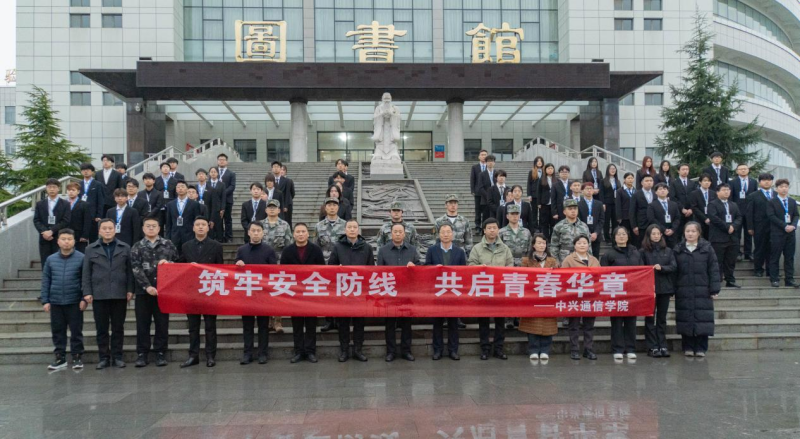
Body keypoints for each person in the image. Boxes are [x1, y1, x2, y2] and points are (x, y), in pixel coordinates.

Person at [83, 219, 134, 369]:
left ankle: (117, 356)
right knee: (101, 328)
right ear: (99, 231)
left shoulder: (125, 247)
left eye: (110, 228)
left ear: (115, 230)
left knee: (118, 327)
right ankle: (103, 357)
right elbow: (86, 272)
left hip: (119, 293)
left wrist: (130, 289)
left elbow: (130, 271)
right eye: (104, 228)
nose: (107, 231)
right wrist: (87, 291)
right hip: (99, 294)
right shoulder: (90, 249)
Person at [130, 215, 177, 368]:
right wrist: (147, 286)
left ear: (159, 228)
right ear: (143, 228)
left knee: (162, 323)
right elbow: (136, 268)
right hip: (143, 292)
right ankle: (142, 354)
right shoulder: (137, 246)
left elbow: (177, 263)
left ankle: (160, 352)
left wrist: (169, 263)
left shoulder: (168, 244)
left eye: (154, 226)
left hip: (163, 292)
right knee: (142, 323)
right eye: (148, 226)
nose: (151, 228)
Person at [178, 216, 223, 367]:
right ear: (193, 227)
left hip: (209, 291)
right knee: (193, 327)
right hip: (191, 292)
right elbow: (180, 267)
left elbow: (221, 268)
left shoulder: (216, 246)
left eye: (203, 224)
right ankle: (193, 355)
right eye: (197, 224)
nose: (201, 227)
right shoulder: (186, 246)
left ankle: (210, 355)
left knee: (210, 326)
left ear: (208, 227)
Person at [468, 218, 513, 361]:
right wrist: (480, 268)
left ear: (498, 230)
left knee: (500, 322)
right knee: (484, 322)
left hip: (500, 290)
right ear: (484, 230)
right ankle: (485, 349)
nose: (492, 230)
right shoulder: (477, 248)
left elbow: (510, 265)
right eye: (489, 228)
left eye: (494, 227)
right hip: (484, 289)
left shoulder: (505, 248)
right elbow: (470, 265)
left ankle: (498, 349)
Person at [329, 220, 374, 362]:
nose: (352, 229)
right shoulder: (338, 247)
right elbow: (331, 266)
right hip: (343, 291)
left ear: (358, 230)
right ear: (345, 230)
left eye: (355, 227)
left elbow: (371, 268)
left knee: (359, 323)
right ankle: (344, 350)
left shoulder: (367, 247)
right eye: (349, 227)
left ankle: (358, 350)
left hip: (360, 291)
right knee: (343, 323)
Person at [41, 229, 86, 370]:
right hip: (55, 301)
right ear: (58, 241)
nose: (66, 242)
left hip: (74, 301)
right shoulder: (51, 259)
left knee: (76, 331)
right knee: (58, 331)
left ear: (74, 241)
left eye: (69, 239)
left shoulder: (82, 258)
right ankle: (60, 357)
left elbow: (85, 280)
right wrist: (45, 300)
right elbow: (46, 280)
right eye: (63, 239)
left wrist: (84, 298)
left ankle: (77, 357)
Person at [674, 221, 720, 357]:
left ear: (699, 233)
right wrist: (673, 289)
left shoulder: (707, 248)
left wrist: (714, 289)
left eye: (693, 231)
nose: (690, 234)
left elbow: (714, 269)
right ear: (684, 233)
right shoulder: (678, 249)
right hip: (684, 290)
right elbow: (674, 272)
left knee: (702, 318)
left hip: (702, 290)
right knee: (685, 318)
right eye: (688, 231)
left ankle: (701, 347)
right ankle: (688, 346)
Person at [281, 223, 325, 364]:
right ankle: (298, 351)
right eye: (298, 232)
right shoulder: (287, 251)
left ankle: (310, 351)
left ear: (308, 234)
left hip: (312, 292)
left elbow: (323, 270)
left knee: (311, 323)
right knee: (297, 324)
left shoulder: (316, 250)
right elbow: (282, 272)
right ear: (293, 234)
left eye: (303, 231)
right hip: (294, 293)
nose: (300, 234)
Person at [234, 222, 277, 365]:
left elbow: (274, 272)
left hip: (263, 294)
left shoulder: (269, 250)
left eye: (258, 230)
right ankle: (247, 353)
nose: (256, 233)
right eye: (253, 230)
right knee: (247, 326)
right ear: (248, 232)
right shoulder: (242, 250)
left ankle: (263, 353)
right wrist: (238, 264)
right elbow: (234, 270)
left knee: (263, 326)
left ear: (263, 233)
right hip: (246, 294)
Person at [377, 223, 419, 362]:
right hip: (390, 293)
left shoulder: (412, 250)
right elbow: (378, 271)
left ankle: (406, 351)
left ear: (404, 234)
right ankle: (391, 351)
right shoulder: (383, 250)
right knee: (390, 324)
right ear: (391, 233)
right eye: (395, 231)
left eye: (400, 231)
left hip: (407, 293)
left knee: (406, 323)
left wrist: (415, 266)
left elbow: (420, 268)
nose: (398, 234)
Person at [601, 226, 643, 360]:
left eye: (624, 234)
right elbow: (603, 274)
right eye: (618, 234)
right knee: (617, 322)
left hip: (632, 293)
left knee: (631, 322)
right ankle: (617, 348)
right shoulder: (608, 254)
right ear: (614, 237)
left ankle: (630, 348)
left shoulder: (636, 253)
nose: (621, 236)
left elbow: (642, 272)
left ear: (628, 236)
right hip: (616, 292)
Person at [425, 223, 465, 361]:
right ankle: (437, 350)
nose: (446, 234)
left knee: (453, 323)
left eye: (448, 232)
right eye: (443, 232)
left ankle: (453, 350)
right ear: (439, 234)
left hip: (454, 291)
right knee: (437, 323)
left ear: (452, 234)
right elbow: (426, 267)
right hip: (438, 292)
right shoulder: (432, 250)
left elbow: (464, 271)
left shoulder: (459, 252)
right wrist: (434, 268)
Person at [518, 234, 558, 362]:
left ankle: (545, 350)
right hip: (532, 297)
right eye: (539, 243)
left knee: (548, 324)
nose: (541, 245)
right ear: (533, 245)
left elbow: (559, 277)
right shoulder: (526, 260)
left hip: (548, 297)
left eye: (543, 243)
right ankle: (533, 350)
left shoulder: (552, 261)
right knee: (532, 324)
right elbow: (522, 277)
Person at [640, 225, 677, 358]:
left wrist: (662, 268)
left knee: (661, 319)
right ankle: (652, 346)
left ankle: (662, 345)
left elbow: (673, 266)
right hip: (650, 289)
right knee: (650, 318)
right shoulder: (643, 251)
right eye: (653, 234)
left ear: (661, 235)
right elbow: (640, 269)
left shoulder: (668, 250)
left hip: (665, 289)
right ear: (648, 235)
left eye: (658, 233)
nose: (656, 236)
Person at [562, 235, 600, 360]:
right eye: (579, 243)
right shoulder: (568, 259)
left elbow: (600, 277)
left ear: (588, 245)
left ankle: (588, 349)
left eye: (584, 243)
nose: (582, 245)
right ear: (574, 245)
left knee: (589, 325)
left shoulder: (594, 260)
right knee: (574, 325)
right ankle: (574, 349)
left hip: (590, 297)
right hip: (574, 297)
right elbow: (563, 278)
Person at [315, 197, 347, 333]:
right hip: (325, 264)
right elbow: (316, 246)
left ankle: (339, 320)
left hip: (341, 264)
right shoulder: (319, 226)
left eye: (334, 205)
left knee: (340, 293)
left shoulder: (345, 225)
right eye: (329, 205)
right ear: (325, 208)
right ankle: (328, 320)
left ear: (338, 207)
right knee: (327, 294)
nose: (332, 207)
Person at [499, 203, 532, 329]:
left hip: (522, 265)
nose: (514, 216)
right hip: (508, 265)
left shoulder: (526, 232)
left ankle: (519, 317)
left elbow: (530, 250)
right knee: (509, 293)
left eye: (516, 214)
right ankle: (509, 318)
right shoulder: (501, 232)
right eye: (512, 214)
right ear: (507, 216)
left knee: (521, 293)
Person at [263, 199, 293, 333]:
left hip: (279, 264)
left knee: (277, 293)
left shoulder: (285, 225)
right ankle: (268, 321)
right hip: (263, 264)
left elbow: (289, 246)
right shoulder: (260, 225)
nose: (272, 209)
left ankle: (278, 321)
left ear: (279, 210)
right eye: (269, 207)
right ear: (265, 210)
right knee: (265, 293)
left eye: (274, 207)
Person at [707, 183, 743, 288]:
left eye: (728, 190)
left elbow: (739, 217)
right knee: (717, 260)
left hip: (732, 238)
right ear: (717, 192)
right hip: (718, 237)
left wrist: (733, 226)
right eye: (724, 190)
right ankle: (717, 280)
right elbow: (714, 218)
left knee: (730, 260)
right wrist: (727, 227)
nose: (726, 192)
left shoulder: (733, 204)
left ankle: (730, 280)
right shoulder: (712, 204)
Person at [766, 179, 799, 288]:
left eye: (786, 186)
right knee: (775, 257)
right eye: (781, 187)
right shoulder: (772, 202)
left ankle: (789, 279)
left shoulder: (792, 201)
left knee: (789, 257)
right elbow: (771, 216)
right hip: (777, 233)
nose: (784, 189)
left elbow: (796, 215)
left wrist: (793, 225)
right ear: (776, 189)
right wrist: (784, 226)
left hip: (790, 234)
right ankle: (774, 279)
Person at [34, 178, 71, 267]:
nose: (51, 189)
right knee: (45, 262)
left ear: (58, 188)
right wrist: (44, 231)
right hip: (44, 237)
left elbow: (66, 220)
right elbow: (36, 220)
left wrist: (52, 231)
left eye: (54, 187)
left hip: (59, 236)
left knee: (59, 262)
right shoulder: (40, 204)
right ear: (46, 189)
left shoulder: (65, 204)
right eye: (49, 187)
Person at [746, 173, 775, 278]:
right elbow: (749, 212)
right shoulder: (753, 195)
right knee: (759, 248)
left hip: (774, 227)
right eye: (764, 180)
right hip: (759, 226)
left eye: (769, 180)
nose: (767, 182)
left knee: (772, 250)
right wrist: (750, 227)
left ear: (772, 182)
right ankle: (758, 269)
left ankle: (771, 270)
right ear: (759, 182)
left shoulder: (776, 194)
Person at [165, 181, 202, 255]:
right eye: (178, 187)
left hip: (189, 235)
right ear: (176, 189)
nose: (180, 188)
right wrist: (168, 238)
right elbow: (168, 223)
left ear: (187, 189)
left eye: (182, 186)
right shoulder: (170, 204)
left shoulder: (194, 204)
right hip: (174, 236)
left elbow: (196, 221)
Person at [550, 199, 591, 263]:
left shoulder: (584, 226)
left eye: (575, 208)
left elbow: (589, 245)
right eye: (570, 209)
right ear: (564, 212)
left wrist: (590, 260)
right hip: (564, 259)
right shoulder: (559, 226)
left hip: (581, 259)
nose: (573, 211)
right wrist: (555, 261)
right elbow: (554, 245)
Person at [730, 164, 757, 261]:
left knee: (749, 233)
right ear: (737, 171)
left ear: (748, 170)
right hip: (737, 212)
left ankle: (748, 253)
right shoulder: (732, 182)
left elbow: (755, 197)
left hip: (750, 212)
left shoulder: (753, 182)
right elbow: (731, 197)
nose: (743, 170)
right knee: (736, 233)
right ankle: (737, 253)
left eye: (745, 169)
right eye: (741, 169)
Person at [647, 182, 681, 248]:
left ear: (668, 191)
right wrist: (664, 229)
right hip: (659, 233)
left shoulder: (674, 204)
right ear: (656, 192)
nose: (662, 191)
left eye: (665, 189)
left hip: (672, 233)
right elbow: (652, 219)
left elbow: (677, 218)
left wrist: (673, 229)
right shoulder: (652, 205)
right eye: (660, 189)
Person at [669, 164, 697, 238]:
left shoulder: (692, 183)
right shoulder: (674, 183)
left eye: (687, 169)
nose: (685, 171)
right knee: (679, 232)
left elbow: (695, 197)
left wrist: (691, 209)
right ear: (678, 171)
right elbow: (673, 197)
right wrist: (682, 208)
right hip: (679, 211)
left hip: (690, 212)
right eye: (683, 169)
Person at [79, 163, 105, 243]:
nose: (85, 172)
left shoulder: (97, 184)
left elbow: (100, 200)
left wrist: (99, 215)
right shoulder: (79, 184)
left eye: (88, 170)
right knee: (81, 237)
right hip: (80, 214)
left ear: (92, 172)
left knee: (93, 237)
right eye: (83, 170)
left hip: (93, 215)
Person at [578, 182, 604, 257]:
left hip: (596, 235)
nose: (589, 190)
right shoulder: (578, 204)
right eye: (587, 189)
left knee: (595, 256)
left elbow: (601, 220)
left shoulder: (599, 204)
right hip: (583, 235)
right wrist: (587, 233)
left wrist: (596, 232)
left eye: (591, 188)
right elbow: (578, 220)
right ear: (582, 191)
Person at [65, 182, 91, 254]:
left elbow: (87, 221)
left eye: (73, 190)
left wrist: (85, 235)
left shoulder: (85, 204)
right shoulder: (63, 203)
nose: (71, 192)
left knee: (80, 254)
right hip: (66, 233)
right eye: (69, 190)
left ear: (78, 191)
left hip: (79, 234)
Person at [689, 174, 717, 240]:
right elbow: (694, 208)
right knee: (700, 238)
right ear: (700, 182)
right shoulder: (694, 193)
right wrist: (705, 219)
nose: (707, 182)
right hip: (699, 219)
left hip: (711, 220)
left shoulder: (713, 193)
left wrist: (711, 218)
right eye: (705, 181)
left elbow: (715, 206)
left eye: (709, 181)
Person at [630, 174, 654, 246]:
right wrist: (634, 226)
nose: (649, 182)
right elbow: (632, 211)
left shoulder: (656, 194)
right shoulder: (636, 194)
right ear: (642, 183)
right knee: (641, 244)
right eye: (647, 181)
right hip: (641, 224)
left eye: (651, 181)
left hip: (654, 223)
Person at [217, 153, 236, 242]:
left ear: (226, 162)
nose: (221, 161)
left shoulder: (231, 173)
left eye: (223, 160)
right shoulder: (213, 172)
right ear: (217, 161)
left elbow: (232, 186)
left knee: (228, 219)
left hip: (227, 200)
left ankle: (229, 237)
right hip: (216, 200)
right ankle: (219, 237)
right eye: (220, 159)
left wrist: (223, 193)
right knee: (218, 219)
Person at [207, 167, 227, 242]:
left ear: (217, 173)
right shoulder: (207, 184)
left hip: (218, 208)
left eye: (214, 172)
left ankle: (219, 239)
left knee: (218, 225)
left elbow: (223, 197)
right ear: (209, 173)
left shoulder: (222, 184)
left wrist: (222, 208)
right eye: (211, 172)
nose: (213, 173)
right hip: (208, 208)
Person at [471, 149, 489, 232]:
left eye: (485, 155)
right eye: (482, 155)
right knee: (478, 209)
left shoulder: (489, 167)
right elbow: (472, 179)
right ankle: (477, 226)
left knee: (486, 209)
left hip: (487, 192)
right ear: (479, 157)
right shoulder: (475, 167)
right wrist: (472, 190)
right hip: (478, 192)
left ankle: (485, 225)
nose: (484, 156)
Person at [477, 154, 497, 229]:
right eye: (488, 161)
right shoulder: (481, 174)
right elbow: (480, 188)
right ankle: (484, 232)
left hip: (495, 200)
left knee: (495, 218)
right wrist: (488, 196)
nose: (490, 163)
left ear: (494, 163)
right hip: (485, 200)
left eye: (492, 161)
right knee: (485, 219)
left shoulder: (497, 173)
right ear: (486, 163)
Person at [537, 163, 556, 238]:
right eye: (548, 168)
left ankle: (552, 237)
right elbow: (539, 192)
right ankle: (545, 238)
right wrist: (538, 203)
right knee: (544, 222)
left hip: (553, 204)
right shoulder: (542, 179)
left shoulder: (556, 180)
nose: (550, 170)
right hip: (544, 203)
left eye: (551, 168)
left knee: (553, 222)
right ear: (545, 170)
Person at [602, 164, 620, 242]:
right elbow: (601, 193)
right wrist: (603, 203)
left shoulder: (617, 181)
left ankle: (614, 237)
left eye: (614, 169)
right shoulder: (603, 180)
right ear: (608, 170)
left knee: (615, 221)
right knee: (606, 221)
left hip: (616, 203)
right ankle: (606, 237)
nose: (613, 170)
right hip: (607, 203)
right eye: (611, 169)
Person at [616, 172, 636, 241]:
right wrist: (619, 217)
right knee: (625, 233)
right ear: (624, 179)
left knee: (634, 235)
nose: (630, 180)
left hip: (634, 216)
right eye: (628, 178)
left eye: (632, 178)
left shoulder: (635, 190)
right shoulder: (620, 191)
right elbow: (618, 204)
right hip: (624, 216)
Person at [274, 161, 295, 227]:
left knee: (287, 221)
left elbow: (292, 193)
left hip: (286, 203)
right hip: (276, 203)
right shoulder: (272, 180)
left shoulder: (288, 181)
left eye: (283, 170)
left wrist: (286, 205)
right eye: (281, 170)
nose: (282, 171)